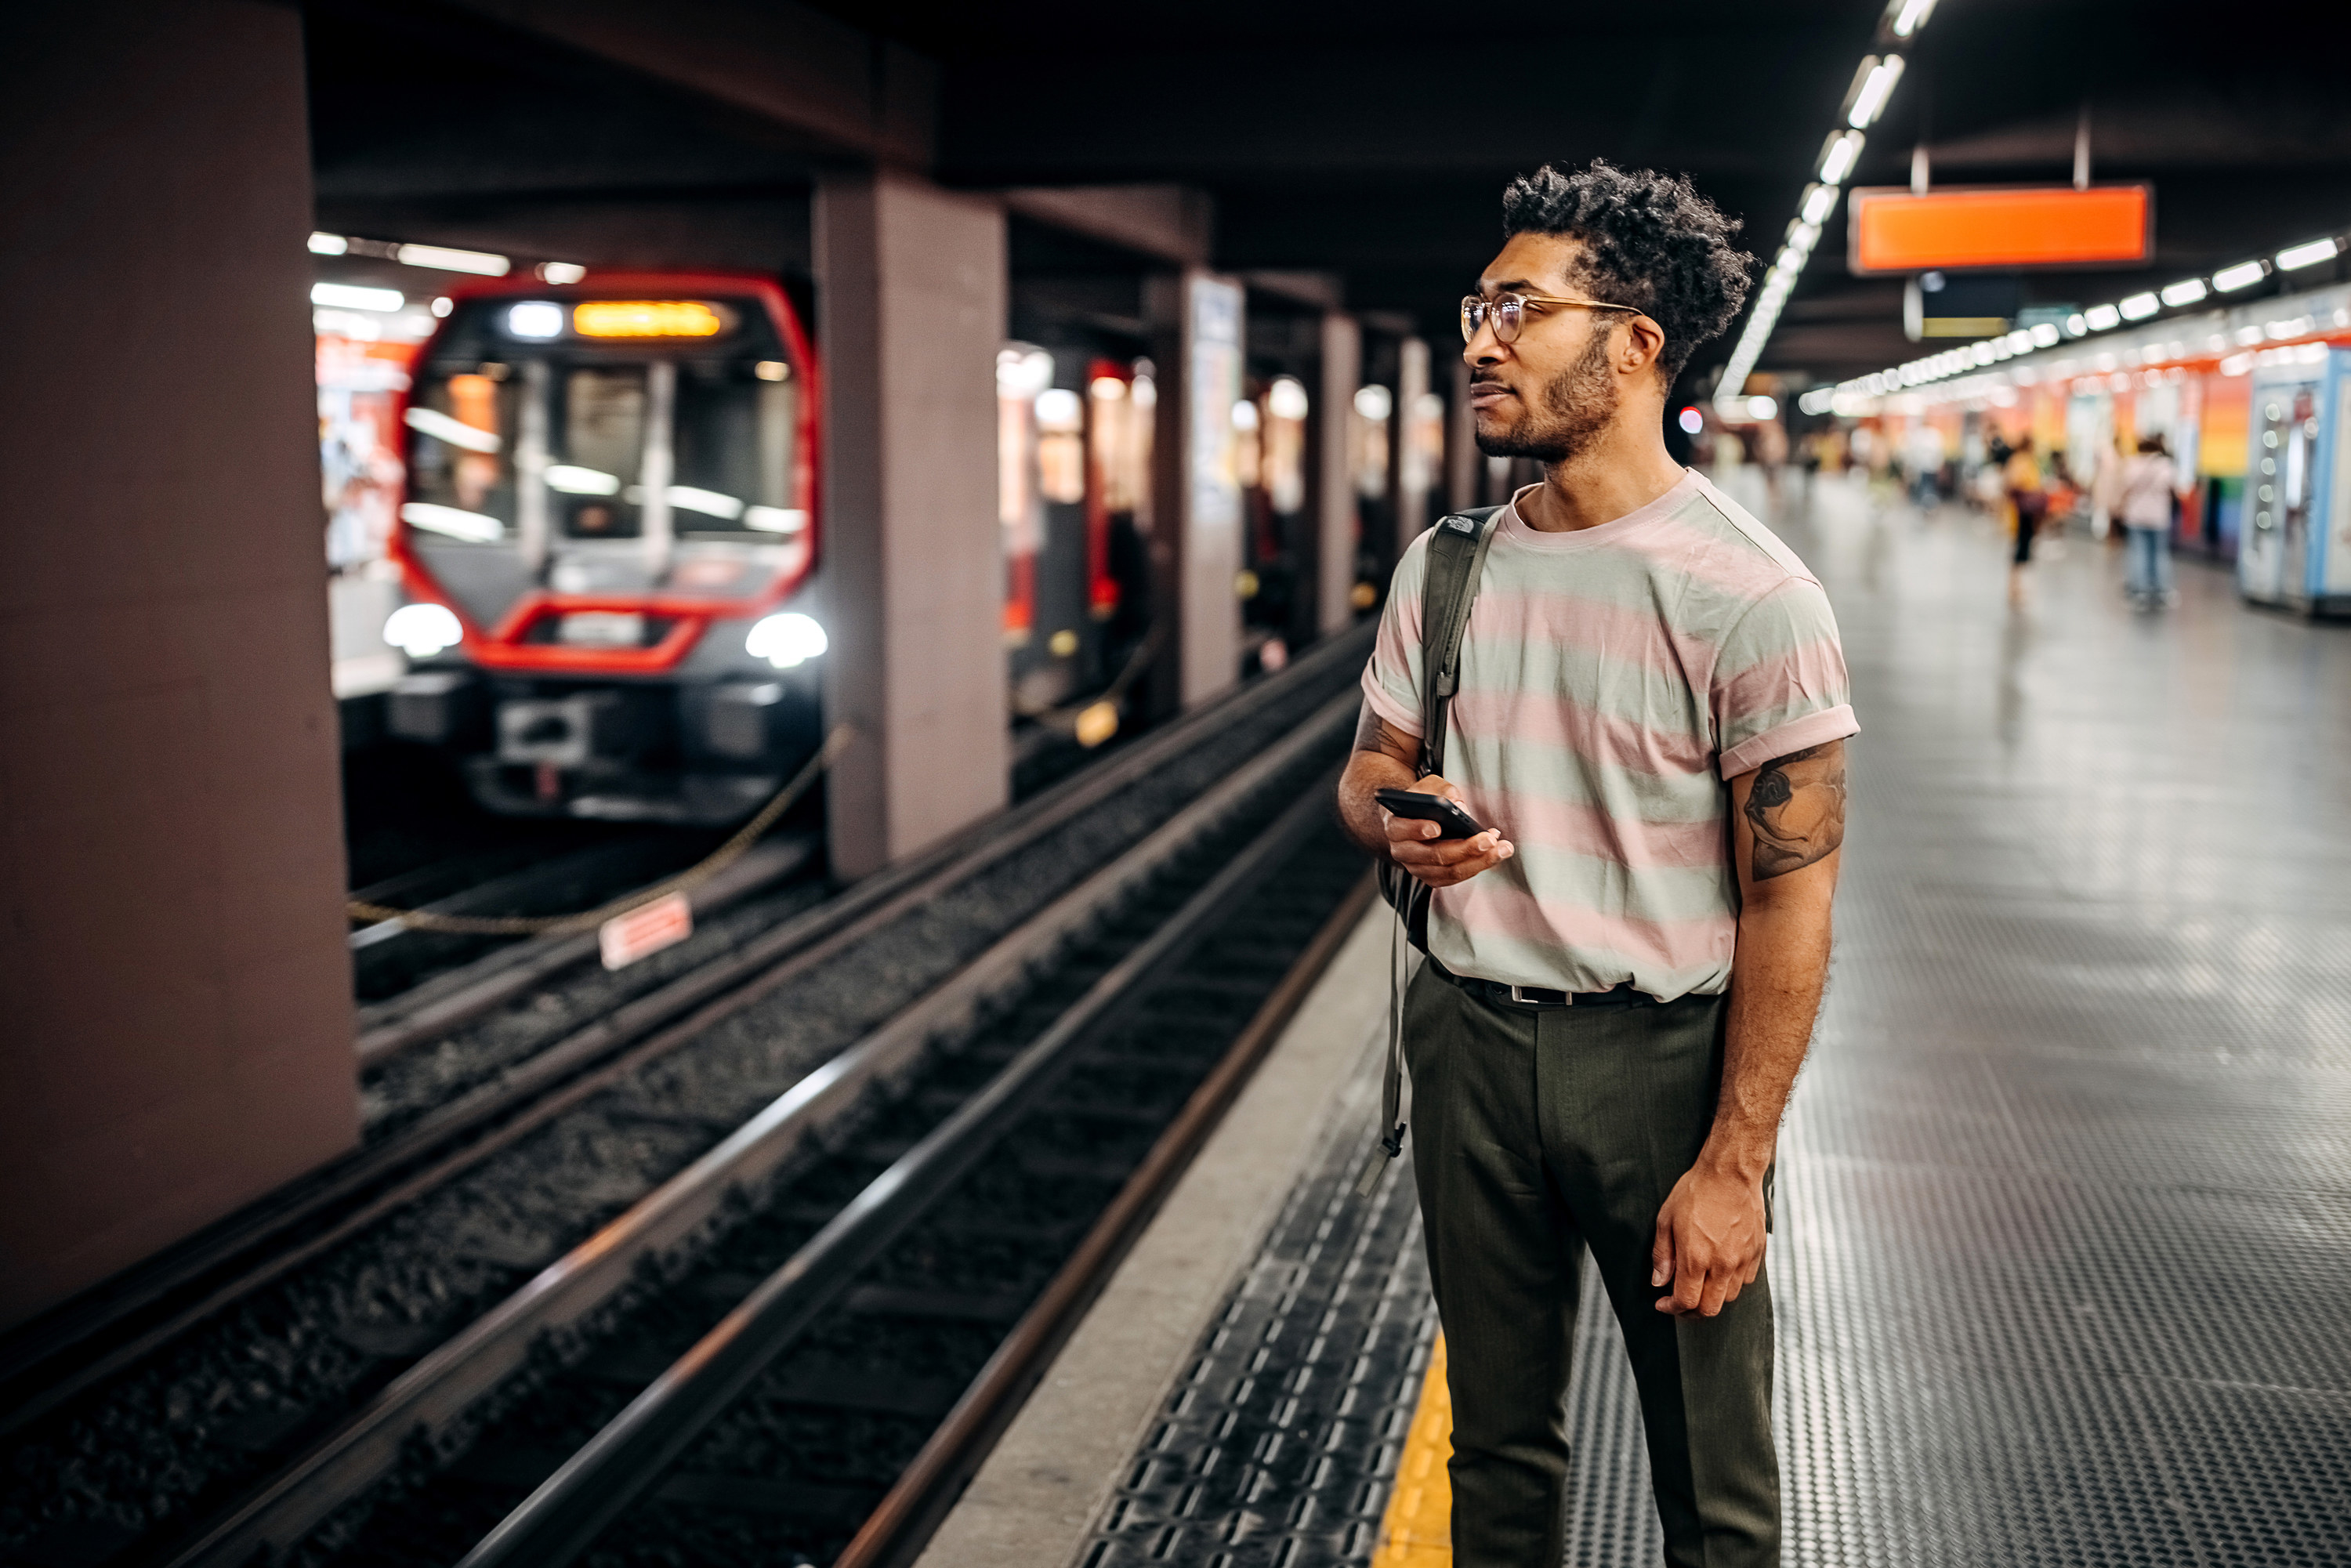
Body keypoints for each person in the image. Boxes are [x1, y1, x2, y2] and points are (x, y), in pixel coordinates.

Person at [1336, 161, 1856, 1568]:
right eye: (1478, 305)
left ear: (1633, 345)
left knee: (1714, 1485)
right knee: (1494, 1453)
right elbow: (1369, 770)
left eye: (1520, 308)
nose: (1479, 339)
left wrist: (1736, 1163)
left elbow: (1791, 892)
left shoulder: (1749, 594)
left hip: (1664, 1070)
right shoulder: (1444, 569)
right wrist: (1396, 818)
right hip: (1469, 1048)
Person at [2118, 433, 2179, 607]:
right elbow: (2172, 489)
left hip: (2135, 516)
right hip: (2158, 517)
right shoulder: (2165, 466)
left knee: (2138, 552)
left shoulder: (2131, 465)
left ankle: (2139, 589)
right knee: (2159, 553)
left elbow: (2125, 488)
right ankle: (2160, 589)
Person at [2003, 434, 2046, 605]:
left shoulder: (2022, 460)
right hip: (2023, 511)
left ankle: (2017, 584)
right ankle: (2017, 585)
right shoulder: (2022, 461)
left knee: (2023, 545)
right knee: (2022, 546)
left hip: (2023, 510)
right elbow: (2015, 482)